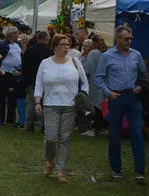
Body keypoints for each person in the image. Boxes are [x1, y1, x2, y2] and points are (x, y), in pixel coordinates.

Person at [94, 26, 148, 181]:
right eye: (126, 39)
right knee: (115, 134)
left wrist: (141, 86)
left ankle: (140, 171)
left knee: (137, 133)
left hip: (133, 98)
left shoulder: (136, 55)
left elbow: (143, 74)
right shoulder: (107, 56)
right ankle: (116, 168)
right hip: (116, 98)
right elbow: (99, 77)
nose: (129, 41)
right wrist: (107, 92)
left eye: (131, 39)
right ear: (117, 39)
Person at [34, 34, 89, 183]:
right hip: (50, 104)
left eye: (68, 44)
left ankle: (60, 169)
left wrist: (83, 96)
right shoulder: (45, 63)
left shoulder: (75, 62)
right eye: (63, 44)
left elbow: (85, 82)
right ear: (55, 47)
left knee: (65, 138)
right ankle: (50, 160)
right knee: (51, 137)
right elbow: (39, 83)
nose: (66, 47)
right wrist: (37, 101)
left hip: (70, 105)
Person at [21, 31, 52, 132]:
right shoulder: (50, 51)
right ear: (46, 39)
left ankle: (30, 124)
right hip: (46, 80)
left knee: (32, 103)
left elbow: (24, 67)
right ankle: (43, 126)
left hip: (31, 80)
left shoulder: (29, 51)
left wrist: (26, 80)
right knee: (45, 103)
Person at [0, 27, 23, 127]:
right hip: (5, 72)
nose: (18, 35)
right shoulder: (2, 45)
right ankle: (1, 119)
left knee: (13, 96)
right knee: (2, 95)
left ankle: (11, 117)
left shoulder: (18, 44)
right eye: (16, 33)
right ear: (11, 35)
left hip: (15, 73)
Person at [81, 35, 108, 137]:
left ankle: (93, 129)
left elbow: (86, 70)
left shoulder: (92, 53)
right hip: (105, 84)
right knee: (104, 107)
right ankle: (104, 128)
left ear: (93, 43)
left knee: (94, 107)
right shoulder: (106, 53)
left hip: (94, 83)